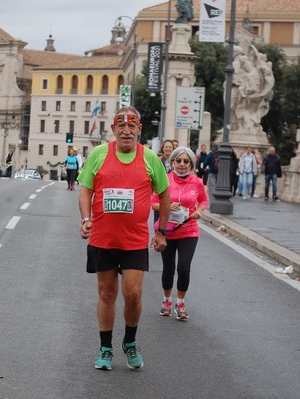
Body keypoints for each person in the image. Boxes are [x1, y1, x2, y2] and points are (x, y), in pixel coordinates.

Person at [78, 106, 170, 371]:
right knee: (106, 293)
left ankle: (130, 342)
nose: (126, 131)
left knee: (133, 293)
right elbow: (85, 191)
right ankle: (105, 349)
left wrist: (161, 231)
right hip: (103, 239)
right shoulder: (99, 154)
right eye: (121, 125)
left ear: (139, 129)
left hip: (134, 241)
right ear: (113, 128)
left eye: (132, 126)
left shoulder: (150, 158)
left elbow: (164, 196)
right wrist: (86, 220)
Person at [151, 147, 208, 320]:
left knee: (183, 268)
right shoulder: (165, 180)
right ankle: (166, 300)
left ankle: (180, 303)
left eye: (186, 161)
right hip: (167, 230)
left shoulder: (197, 182)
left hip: (189, 230)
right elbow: (153, 203)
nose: (182, 164)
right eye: (179, 160)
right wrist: (165, 206)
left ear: (191, 163)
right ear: (172, 162)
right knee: (168, 269)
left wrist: (199, 210)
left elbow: (204, 199)